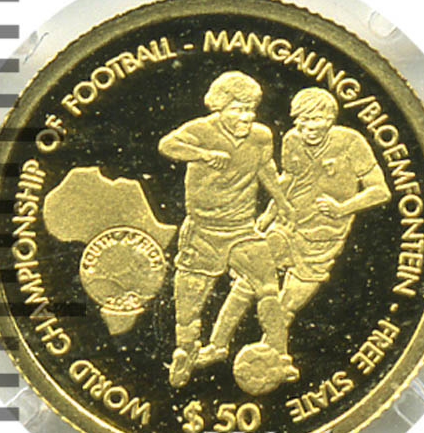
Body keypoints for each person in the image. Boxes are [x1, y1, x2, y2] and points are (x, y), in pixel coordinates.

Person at [196, 87, 391, 368]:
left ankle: (273, 361)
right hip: (287, 225)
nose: (308, 127)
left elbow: (380, 191)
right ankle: (217, 346)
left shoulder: (351, 142)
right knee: (247, 283)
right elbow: (288, 179)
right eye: (302, 120)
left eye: (315, 119)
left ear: (330, 119)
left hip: (323, 238)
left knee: (285, 306)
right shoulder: (292, 139)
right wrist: (267, 216)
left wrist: (342, 208)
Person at [159, 71, 297, 388]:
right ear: (219, 107)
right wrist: (204, 155)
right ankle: (186, 352)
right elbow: (167, 145)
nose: (246, 116)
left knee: (268, 288)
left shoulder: (261, 136)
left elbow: (266, 169)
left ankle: (279, 355)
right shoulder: (201, 130)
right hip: (204, 231)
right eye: (237, 109)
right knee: (189, 301)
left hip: (243, 230)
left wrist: (282, 202)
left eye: (250, 109)